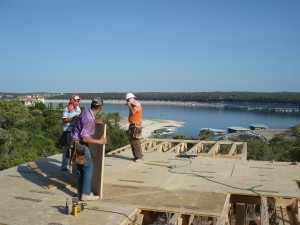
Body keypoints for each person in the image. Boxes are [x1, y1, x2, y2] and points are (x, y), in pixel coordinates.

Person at [69, 98, 107, 201]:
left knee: (80, 168)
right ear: (100, 108)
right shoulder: (89, 120)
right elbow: (85, 138)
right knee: (88, 167)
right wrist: (100, 141)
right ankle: (86, 194)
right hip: (80, 144)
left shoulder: (86, 111)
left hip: (73, 143)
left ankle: (80, 193)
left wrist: (94, 121)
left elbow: (83, 122)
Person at [61, 94, 81, 171]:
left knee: (75, 148)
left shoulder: (78, 109)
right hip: (68, 131)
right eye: (76, 101)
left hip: (76, 131)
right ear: (72, 101)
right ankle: (64, 165)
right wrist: (73, 118)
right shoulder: (67, 109)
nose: (77, 102)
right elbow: (64, 120)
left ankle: (73, 165)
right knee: (67, 148)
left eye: (78, 101)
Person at [125, 93, 144, 162]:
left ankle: (139, 157)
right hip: (133, 125)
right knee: (133, 141)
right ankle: (136, 156)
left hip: (136, 125)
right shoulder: (133, 105)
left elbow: (133, 112)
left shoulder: (137, 105)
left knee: (135, 141)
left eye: (127, 100)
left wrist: (129, 105)